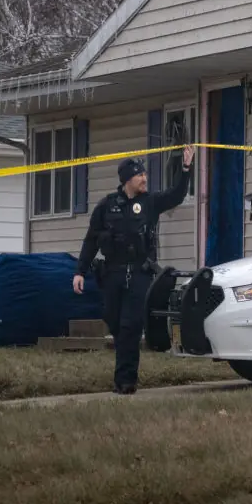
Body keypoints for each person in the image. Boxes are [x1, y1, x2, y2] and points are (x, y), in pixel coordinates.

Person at [73, 145, 195, 395]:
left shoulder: (150, 203)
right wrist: (79, 271)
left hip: (139, 274)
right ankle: (123, 372)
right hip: (112, 274)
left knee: (131, 326)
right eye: (140, 175)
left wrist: (185, 168)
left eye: (145, 175)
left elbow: (176, 195)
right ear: (127, 179)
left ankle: (126, 381)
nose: (145, 178)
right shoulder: (106, 206)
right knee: (115, 324)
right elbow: (91, 240)